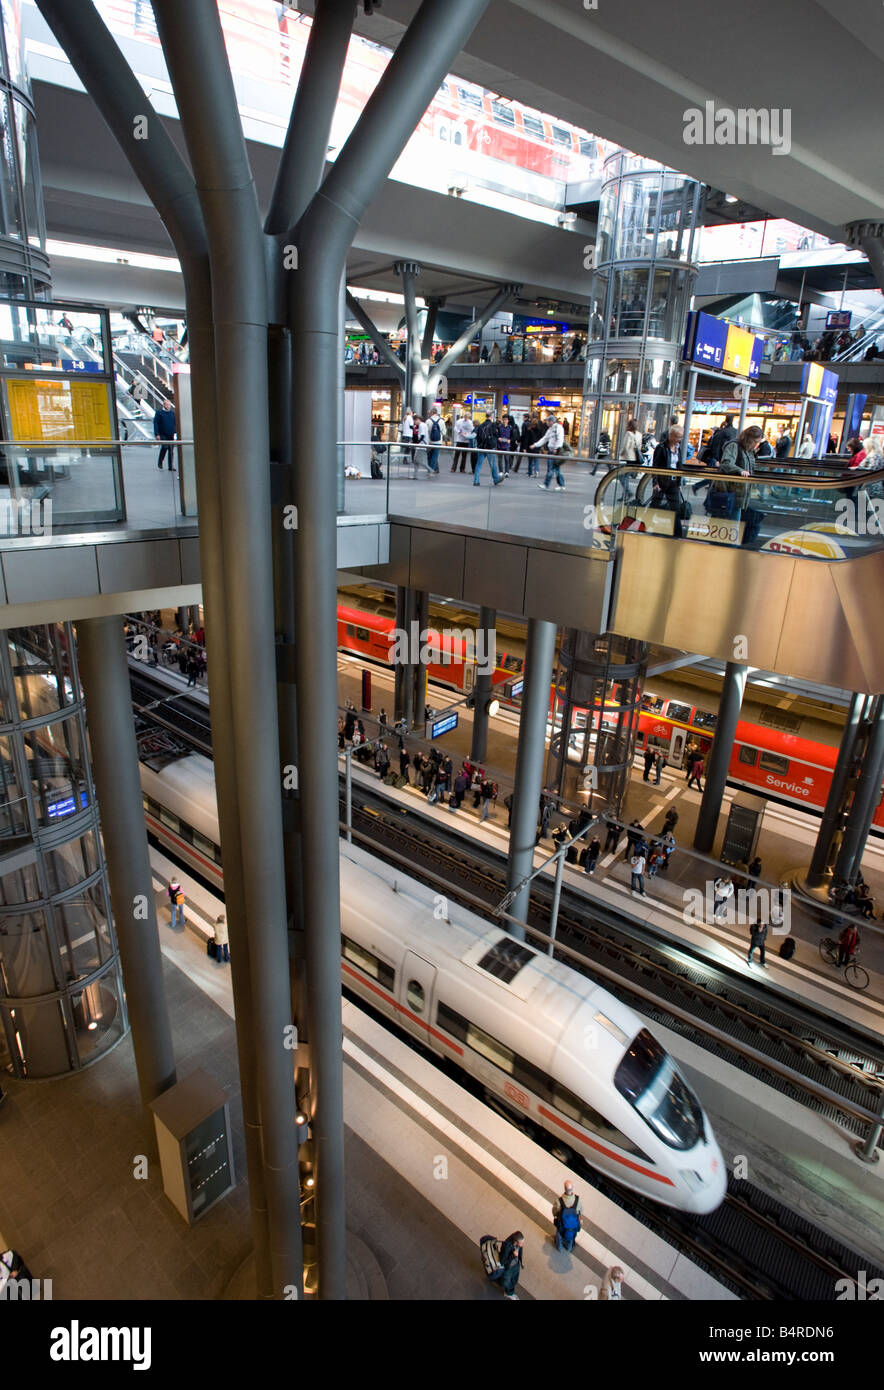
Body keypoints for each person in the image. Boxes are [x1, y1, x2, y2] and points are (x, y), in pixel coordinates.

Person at [534, 414, 566, 490]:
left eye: (547, 421)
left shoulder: (558, 428)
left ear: (551, 421)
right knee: (556, 469)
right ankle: (561, 485)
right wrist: (536, 445)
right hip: (552, 451)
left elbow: (560, 438)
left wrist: (557, 448)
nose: (546, 423)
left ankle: (546, 484)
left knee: (551, 468)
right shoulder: (551, 429)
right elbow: (545, 438)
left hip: (555, 451)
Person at [552, 1180, 582, 1252]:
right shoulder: (578, 1200)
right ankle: (568, 1248)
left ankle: (559, 1247)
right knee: (571, 1237)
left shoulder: (559, 1201)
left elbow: (554, 1212)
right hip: (572, 1228)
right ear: (572, 1189)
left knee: (559, 1236)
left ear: (564, 1189)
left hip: (561, 1226)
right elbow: (580, 1212)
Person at [474, 414, 502, 486]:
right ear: (491, 417)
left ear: (485, 416)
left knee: (478, 465)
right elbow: (496, 435)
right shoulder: (493, 425)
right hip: (490, 447)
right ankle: (495, 479)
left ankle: (476, 481)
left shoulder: (481, 425)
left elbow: (478, 437)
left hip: (481, 447)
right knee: (493, 465)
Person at [497, 1231, 525, 1299]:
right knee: (508, 1282)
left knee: (514, 1280)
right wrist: (513, 1255)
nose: (523, 1244)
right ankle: (508, 1293)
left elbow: (519, 1252)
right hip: (509, 1267)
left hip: (515, 1264)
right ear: (516, 1242)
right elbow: (502, 1261)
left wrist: (520, 1261)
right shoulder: (507, 1247)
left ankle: (510, 1292)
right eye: (522, 1243)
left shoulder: (517, 1243)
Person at [154, 398, 177, 470]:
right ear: (164, 405)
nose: (168, 406)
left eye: (169, 405)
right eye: (167, 404)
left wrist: (175, 431)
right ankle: (160, 461)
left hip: (171, 434)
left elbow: (175, 423)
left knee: (171, 450)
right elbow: (156, 423)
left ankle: (170, 466)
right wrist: (157, 434)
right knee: (164, 447)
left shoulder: (172, 413)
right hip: (162, 434)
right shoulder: (159, 413)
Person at [426, 408, 444, 473]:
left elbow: (426, 431)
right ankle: (432, 469)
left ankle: (429, 468)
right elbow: (444, 432)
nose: (428, 414)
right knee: (435, 456)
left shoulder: (428, 421)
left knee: (429, 456)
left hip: (430, 441)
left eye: (429, 413)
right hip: (438, 442)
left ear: (431, 413)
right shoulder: (441, 421)